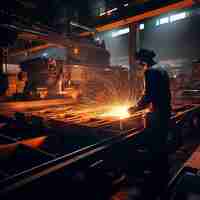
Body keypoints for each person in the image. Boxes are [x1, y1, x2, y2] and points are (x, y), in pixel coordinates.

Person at [128, 49, 171, 199]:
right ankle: (163, 172)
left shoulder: (150, 71)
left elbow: (148, 94)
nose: (138, 64)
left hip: (157, 113)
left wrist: (135, 108)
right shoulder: (162, 69)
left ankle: (155, 178)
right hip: (165, 111)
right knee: (161, 141)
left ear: (143, 59)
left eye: (139, 60)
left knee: (154, 143)